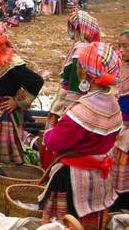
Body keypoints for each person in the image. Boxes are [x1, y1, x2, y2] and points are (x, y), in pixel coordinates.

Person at [39, 42, 121, 230]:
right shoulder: (113, 104)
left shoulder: (82, 111)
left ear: (85, 74)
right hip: (100, 177)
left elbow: (56, 142)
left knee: (68, 222)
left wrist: (50, 131)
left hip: (73, 179)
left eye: (80, 67)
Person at [0, 20, 43, 163]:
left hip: (5, 115)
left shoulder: (12, 63)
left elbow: (36, 81)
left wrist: (17, 101)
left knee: (1, 150)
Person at [47, 10, 100, 129]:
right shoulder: (90, 47)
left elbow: (75, 82)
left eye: (72, 27)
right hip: (82, 99)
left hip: (69, 98)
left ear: (79, 29)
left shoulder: (80, 48)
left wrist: (67, 109)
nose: (70, 31)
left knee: (57, 131)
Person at [112, 29, 129, 210]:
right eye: (119, 45)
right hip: (121, 127)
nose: (121, 50)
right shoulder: (121, 68)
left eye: (125, 46)